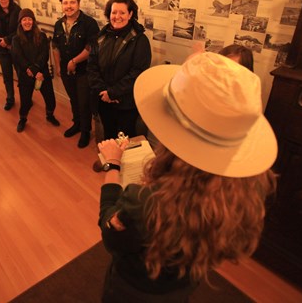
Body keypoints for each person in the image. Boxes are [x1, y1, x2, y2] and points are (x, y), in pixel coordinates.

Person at [97, 52, 278, 302]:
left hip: (135, 290)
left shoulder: (147, 201)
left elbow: (111, 237)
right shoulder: (249, 186)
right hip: (184, 285)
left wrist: (113, 164)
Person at [88, 0, 151, 141]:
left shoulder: (140, 40)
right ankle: (111, 162)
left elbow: (137, 73)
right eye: (114, 12)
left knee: (126, 141)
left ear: (130, 14)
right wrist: (103, 92)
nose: (117, 16)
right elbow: (92, 66)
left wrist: (113, 93)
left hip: (126, 104)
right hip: (103, 100)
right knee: (108, 137)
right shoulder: (101, 36)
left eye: (122, 12)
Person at [52, 0, 100, 148]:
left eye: (72, 2)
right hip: (67, 71)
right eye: (65, 3)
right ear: (62, 5)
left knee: (84, 102)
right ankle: (77, 124)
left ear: (78, 4)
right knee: (74, 99)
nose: (69, 6)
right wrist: (58, 66)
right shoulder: (59, 24)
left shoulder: (89, 23)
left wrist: (74, 61)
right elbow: (55, 46)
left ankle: (86, 131)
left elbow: (92, 47)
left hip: (84, 71)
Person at [11, 8, 60, 132]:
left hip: (41, 73)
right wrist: (30, 69)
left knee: (50, 99)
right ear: (20, 22)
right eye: (24, 19)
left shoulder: (42, 36)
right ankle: (23, 119)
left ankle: (50, 115)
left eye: (29, 19)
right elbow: (18, 57)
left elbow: (44, 54)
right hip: (25, 74)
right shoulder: (16, 39)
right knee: (26, 101)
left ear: (33, 21)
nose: (27, 22)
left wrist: (36, 69)